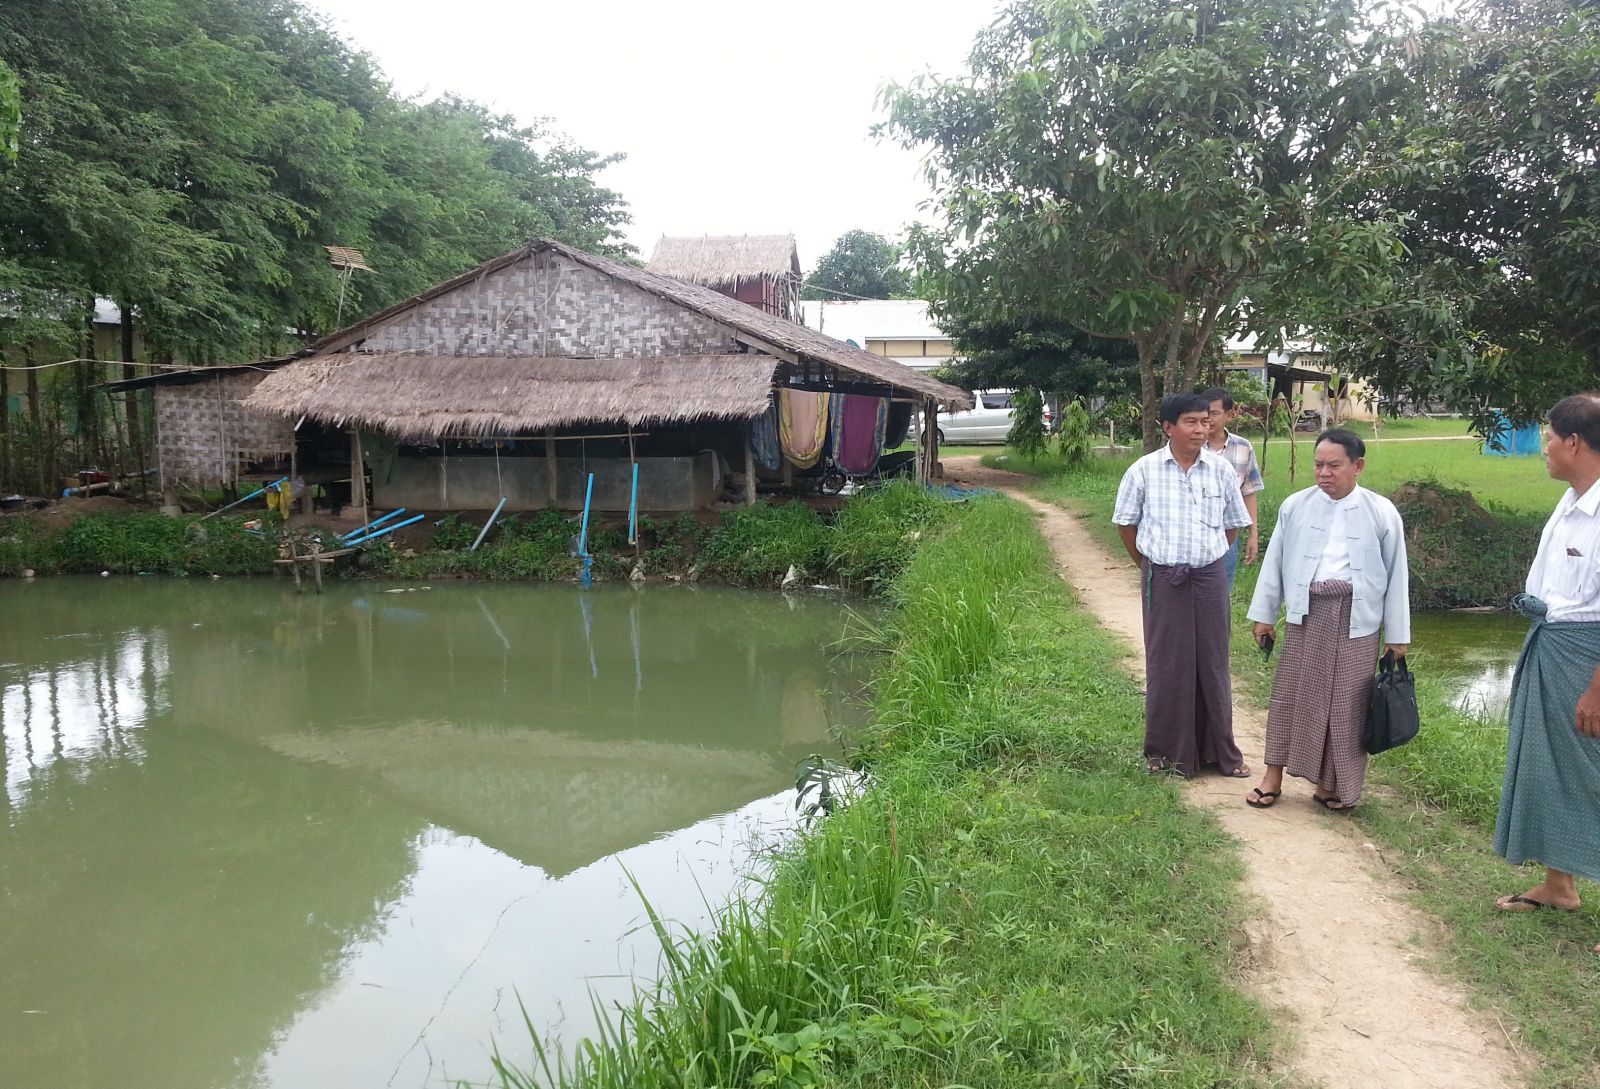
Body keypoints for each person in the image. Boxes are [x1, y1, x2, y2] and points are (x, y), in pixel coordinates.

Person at [1244, 429, 1409, 812]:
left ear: (1358, 466)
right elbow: (1275, 564)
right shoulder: (1296, 506)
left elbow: (1397, 574)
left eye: (1334, 465)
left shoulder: (1381, 511)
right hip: (1307, 613)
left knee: (1348, 704)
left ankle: (1332, 785)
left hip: (1358, 620)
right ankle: (1273, 776)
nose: (1324, 473)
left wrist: (1397, 635)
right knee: (1290, 695)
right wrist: (1264, 615)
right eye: (1318, 465)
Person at [1492, 395, 1600, 953]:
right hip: (1551, 645)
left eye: (1548, 436)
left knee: (1591, 773)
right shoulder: (1571, 499)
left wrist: (1597, 690)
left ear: (1574, 443)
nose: (1544, 448)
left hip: (1587, 658)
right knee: (1550, 766)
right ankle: (1560, 884)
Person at [1113, 393, 1253, 777]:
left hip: (1208, 577)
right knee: (1167, 663)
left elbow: (1234, 523)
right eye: (1191, 422)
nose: (1201, 429)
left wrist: (1207, 557)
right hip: (1163, 576)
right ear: (1168, 428)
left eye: (1205, 421)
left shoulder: (1221, 470)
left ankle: (1219, 753)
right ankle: (1164, 753)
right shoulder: (1143, 470)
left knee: (1213, 661)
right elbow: (1125, 523)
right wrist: (1149, 564)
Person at [1199, 387, 1264, 587]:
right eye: (1205, 413)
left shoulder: (1243, 447)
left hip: (1227, 533)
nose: (1209, 419)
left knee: (1220, 594)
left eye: (1215, 413)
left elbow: (1248, 491)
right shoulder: (1191, 446)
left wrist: (1253, 534)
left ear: (1229, 415)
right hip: (1194, 531)